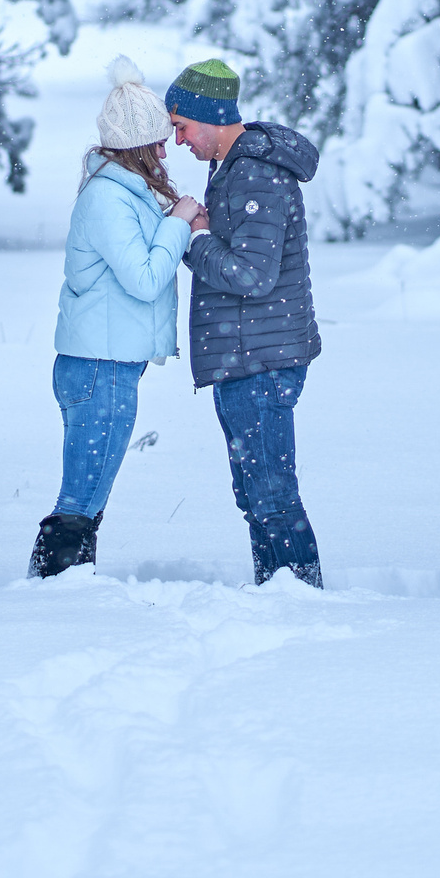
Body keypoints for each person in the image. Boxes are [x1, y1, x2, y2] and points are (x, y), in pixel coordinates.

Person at [28, 58, 204, 578]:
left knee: (88, 494)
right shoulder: (108, 198)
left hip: (107, 364)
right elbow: (145, 278)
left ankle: (63, 587)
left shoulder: (127, 192)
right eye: (156, 141)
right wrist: (178, 222)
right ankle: (56, 590)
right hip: (98, 366)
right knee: (81, 499)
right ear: (135, 146)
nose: (166, 149)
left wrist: (181, 220)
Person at [166, 59, 326, 587]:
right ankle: (278, 596)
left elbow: (252, 276)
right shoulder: (236, 169)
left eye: (182, 126)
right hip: (248, 358)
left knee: (273, 496)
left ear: (210, 118)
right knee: (256, 494)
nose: (179, 139)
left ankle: (300, 599)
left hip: (260, 361)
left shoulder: (254, 173)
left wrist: (196, 239)